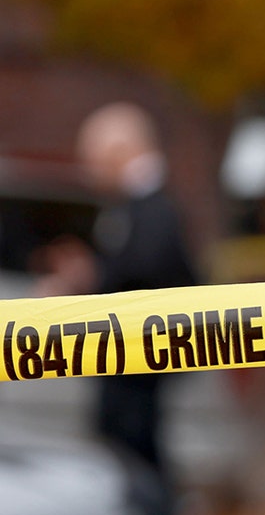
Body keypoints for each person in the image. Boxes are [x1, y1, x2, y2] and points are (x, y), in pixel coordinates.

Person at [36, 102, 198, 477]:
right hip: (131, 365)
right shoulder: (140, 208)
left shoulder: (152, 209)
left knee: (135, 455)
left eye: (92, 159)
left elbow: (147, 270)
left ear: (118, 152)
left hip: (139, 365)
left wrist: (90, 279)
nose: (88, 172)